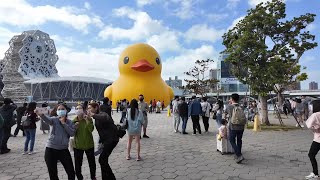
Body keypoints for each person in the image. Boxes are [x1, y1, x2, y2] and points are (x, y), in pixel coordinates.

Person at [36, 103, 75, 180]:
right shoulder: (54, 119)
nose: (61, 111)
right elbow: (47, 120)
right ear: (56, 111)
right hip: (51, 149)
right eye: (59, 109)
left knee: (71, 172)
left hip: (63, 150)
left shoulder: (70, 122)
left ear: (66, 111)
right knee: (53, 173)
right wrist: (41, 115)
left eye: (62, 109)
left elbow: (72, 133)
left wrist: (64, 123)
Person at [87, 102, 119, 180]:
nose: (89, 110)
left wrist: (93, 115)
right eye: (88, 108)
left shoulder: (102, 114)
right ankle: (105, 177)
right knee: (103, 160)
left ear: (96, 108)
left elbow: (105, 117)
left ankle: (111, 178)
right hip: (106, 141)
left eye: (90, 108)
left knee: (102, 160)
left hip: (112, 139)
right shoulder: (96, 117)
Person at [73, 105, 96, 180]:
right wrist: (75, 127)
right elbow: (72, 133)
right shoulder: (74, 121)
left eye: (80, 108)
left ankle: (93, 177)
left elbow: (91, 129)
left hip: (89, 145)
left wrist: (87, 120)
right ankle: (79, 177)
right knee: (78, 164)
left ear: (83, 110)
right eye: (76, 108)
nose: (78, 109)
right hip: (78, 146)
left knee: (92, 163)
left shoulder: (88, 119)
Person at [224, 93, 246, 164]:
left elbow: (225, 115)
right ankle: (238, 154)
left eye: (230, 98)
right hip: (241, 126)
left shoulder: (229, 106)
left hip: (233, 126)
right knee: (239, 140)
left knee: (231, 140)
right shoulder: (241, 106)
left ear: (232, 99)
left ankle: (239, 155)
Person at [305, 112, 320, 179]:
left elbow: (308, 125)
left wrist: (315, 128)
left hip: (318, 139)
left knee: (311, 154)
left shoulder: (316, 115)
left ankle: (315, 173)